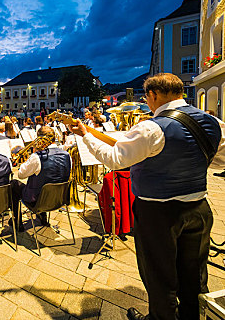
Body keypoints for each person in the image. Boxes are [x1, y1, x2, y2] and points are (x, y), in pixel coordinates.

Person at [71, 73, 225, 320]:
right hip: (199, 208)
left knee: (159, 276)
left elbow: (114, 160)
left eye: (147, 97)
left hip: (158, 214)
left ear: (153, 95)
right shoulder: (212, 121)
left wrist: (86, 135)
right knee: (194, 274)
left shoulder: (151, 127)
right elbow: (219, 159)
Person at [10, 126, 71, 230]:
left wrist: (31, 157)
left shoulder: (37, 156)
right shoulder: (67, 155)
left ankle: (18, 221)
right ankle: (43, 217)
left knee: (14, 184)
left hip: (37, 200)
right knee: (47, 180)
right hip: (60, 199)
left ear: (39, 139)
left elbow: (21, 174)